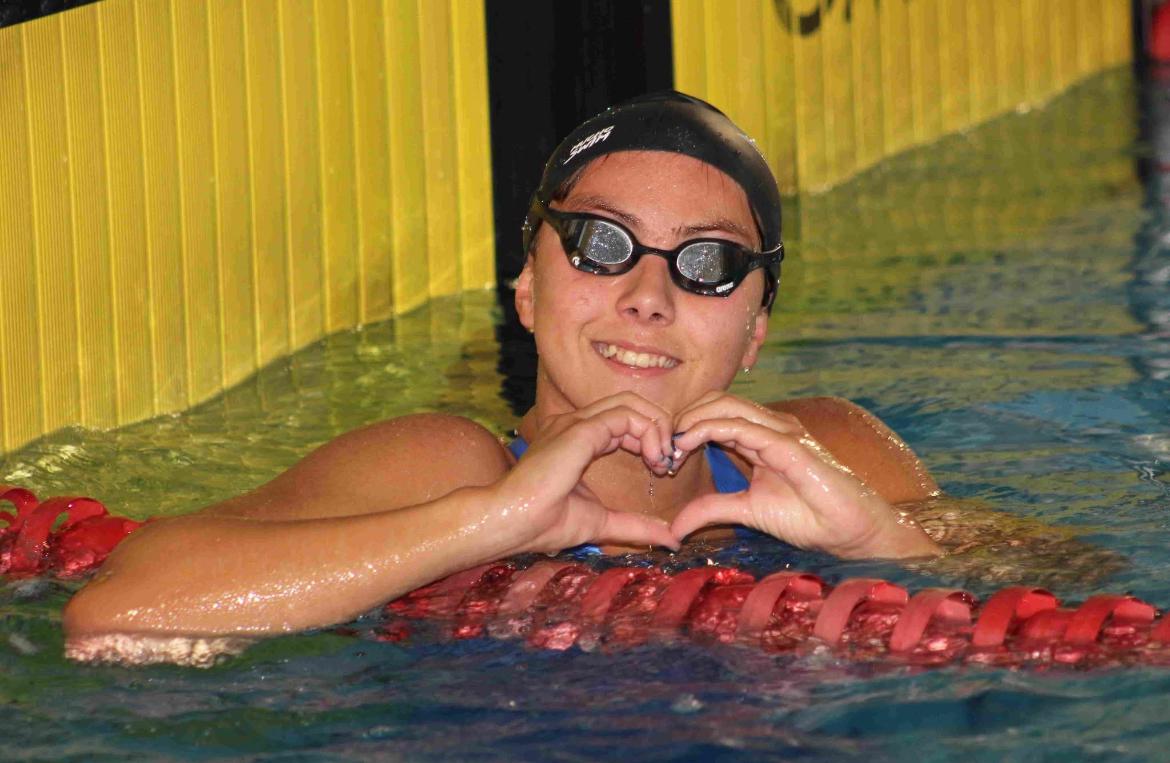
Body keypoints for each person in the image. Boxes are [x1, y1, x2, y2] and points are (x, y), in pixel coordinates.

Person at [63, 92, 941, 666]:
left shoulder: (835, 449)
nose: (648, 296)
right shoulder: (447, 465)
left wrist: (884, 539)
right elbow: (120, 608)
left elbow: (1054, 608)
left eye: (707, 261)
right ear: (527, 287)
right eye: (601, 243)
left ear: (755, 331)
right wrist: (484, 523)